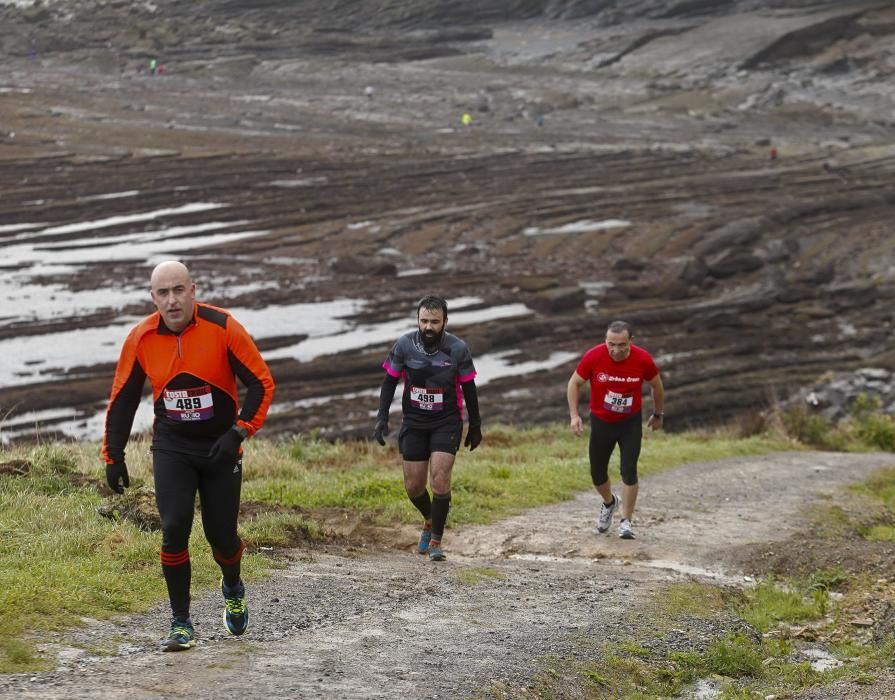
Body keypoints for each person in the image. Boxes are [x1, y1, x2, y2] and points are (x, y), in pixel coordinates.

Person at [102, 261, 275, 651]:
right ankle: (181, 622)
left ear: (193, 290)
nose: (172, 300)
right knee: (175, 524)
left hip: (220, 447)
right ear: (153, 298)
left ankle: (232, 585)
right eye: (163, 293)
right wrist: (113, 455)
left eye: (179, 290)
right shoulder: (141, 337)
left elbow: (261, 384)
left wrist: (239, 431)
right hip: (172, 446)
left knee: (222, 536)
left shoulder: (223, 326)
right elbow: (124, 399)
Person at [372, 295, 482, 561]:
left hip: (447, 421)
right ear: (417, 320)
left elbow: (469, 387)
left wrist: (476, 424)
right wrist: (382, 417)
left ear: (445, 321)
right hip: (414, 422)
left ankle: (436, 542)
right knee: (414, 486)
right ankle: (430, 518)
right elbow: (390, 382)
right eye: (424, 321)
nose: (428, 327)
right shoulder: (405, 345)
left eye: (434, 321)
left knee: (440, 480)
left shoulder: (457, 348)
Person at [566, 320, 664, 540]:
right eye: (611, 344)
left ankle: (626, 521)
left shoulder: (643, 359)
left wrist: (658, 414)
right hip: (602, 422)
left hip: (629, 422)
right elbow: (574, 383)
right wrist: (574, 416)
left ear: (631, 341)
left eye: (621, 345)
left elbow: (656, 385)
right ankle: (610, 502)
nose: (616, 350)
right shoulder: (593, 356)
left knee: (629, 469)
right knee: (597, 473)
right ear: (605, 340)